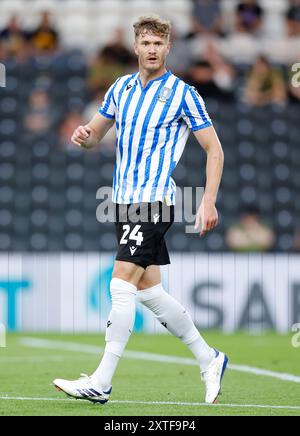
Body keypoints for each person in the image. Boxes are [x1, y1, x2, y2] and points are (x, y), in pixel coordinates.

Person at [53, 15, 227, 405]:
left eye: (158, 44)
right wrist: (83, 136)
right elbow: (94, 135)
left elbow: (214, 149)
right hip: (122, 202)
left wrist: (208, 199)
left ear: (168, 48)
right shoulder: (120, 88)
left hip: (155, 201)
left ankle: (101, 381)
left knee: (119, 284)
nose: (151, 50)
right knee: (149, 292)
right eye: (145, 43)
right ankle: (209, 358)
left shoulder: (183, 94)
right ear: (135, 47)